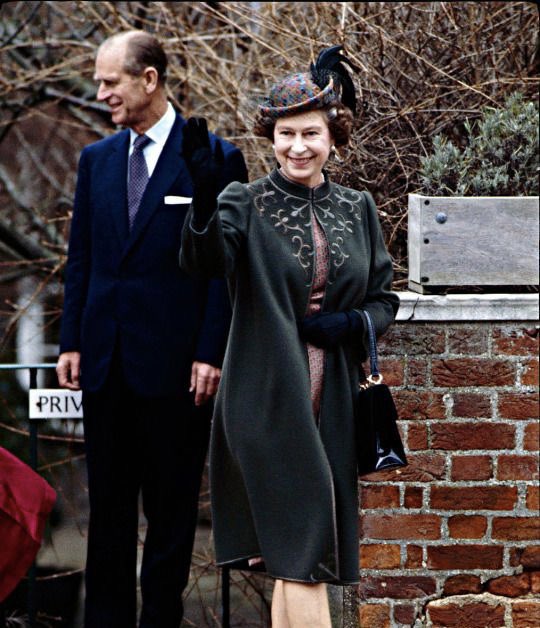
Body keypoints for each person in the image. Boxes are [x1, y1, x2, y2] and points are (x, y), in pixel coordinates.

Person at [179, 45, 399, 627]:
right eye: (284, 134)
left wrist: (352, 323)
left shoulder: (359, 208)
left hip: (334, 407)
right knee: (304, 551)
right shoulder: (242, 203)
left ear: (334, 137)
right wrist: (203, 202)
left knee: (296, 559)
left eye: (310, 133)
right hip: (264, 399)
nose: (297, 147)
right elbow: (204, 262)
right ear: (269, 138)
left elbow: (385, 298)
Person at [55, 30, 248, 628]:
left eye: (110, 81)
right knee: (108, 514)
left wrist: (210, 352)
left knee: (170, 517)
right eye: (98, 82)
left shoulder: (213, 158)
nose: (101, 92)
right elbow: (82, 257)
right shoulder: (97, 160)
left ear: (149, 79)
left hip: (177, 372)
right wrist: (72, 341)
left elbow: (223, 268)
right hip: (106, 366)